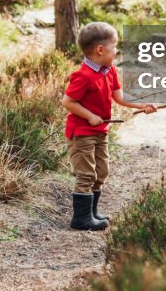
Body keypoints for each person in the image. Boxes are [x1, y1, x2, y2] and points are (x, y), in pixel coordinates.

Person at [61, 22, 157, 230]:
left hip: (100, 132)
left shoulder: (109, 70)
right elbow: (68, 102)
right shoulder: (83, 76)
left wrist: (142, 104)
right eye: (115, 47)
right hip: (82, 133)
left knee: (101, 171)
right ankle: (81, 219)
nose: (117, 51)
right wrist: (89, 116)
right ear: (100, 50)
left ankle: (91, 212)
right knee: (87, 174)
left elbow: (119, 97)